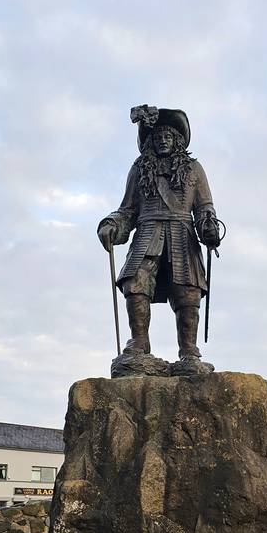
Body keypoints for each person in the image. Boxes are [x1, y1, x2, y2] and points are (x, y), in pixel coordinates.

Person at [97, 105, 221, 364]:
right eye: (157, 137)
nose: (162, 140)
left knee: (188, 291)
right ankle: (140, 343)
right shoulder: (139, 169)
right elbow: (127, 210)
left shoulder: (194, 169)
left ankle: (189, 351)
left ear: (178, 140)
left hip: (181, 234)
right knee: (135, 283)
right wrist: (111, 224)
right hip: (147, 233)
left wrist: (209, 227)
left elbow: (204, 208)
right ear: (150, 141)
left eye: (168, 136)